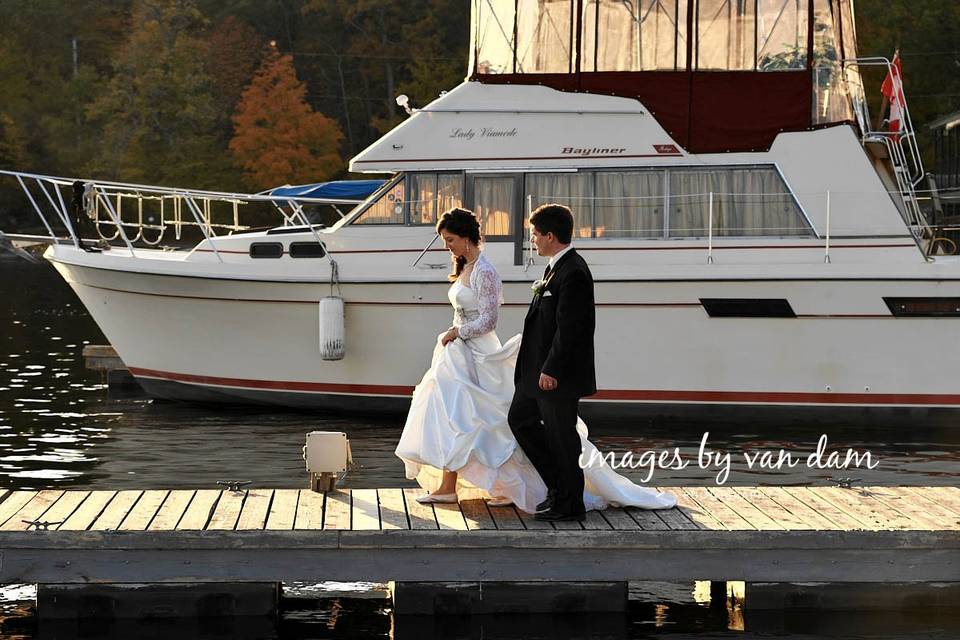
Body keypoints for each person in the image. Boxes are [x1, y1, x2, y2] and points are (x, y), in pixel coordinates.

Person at [395, 207, 676, 514]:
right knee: (519, 420)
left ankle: (567, 500)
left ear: (550, 236)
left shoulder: (573, 272)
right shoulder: (554, 268)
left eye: (535, 234)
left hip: (552, 372)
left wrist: (551, 369)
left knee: (561, 435)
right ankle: (555, 488)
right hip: (531, 369)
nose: (532, 240)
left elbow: (572, 330)